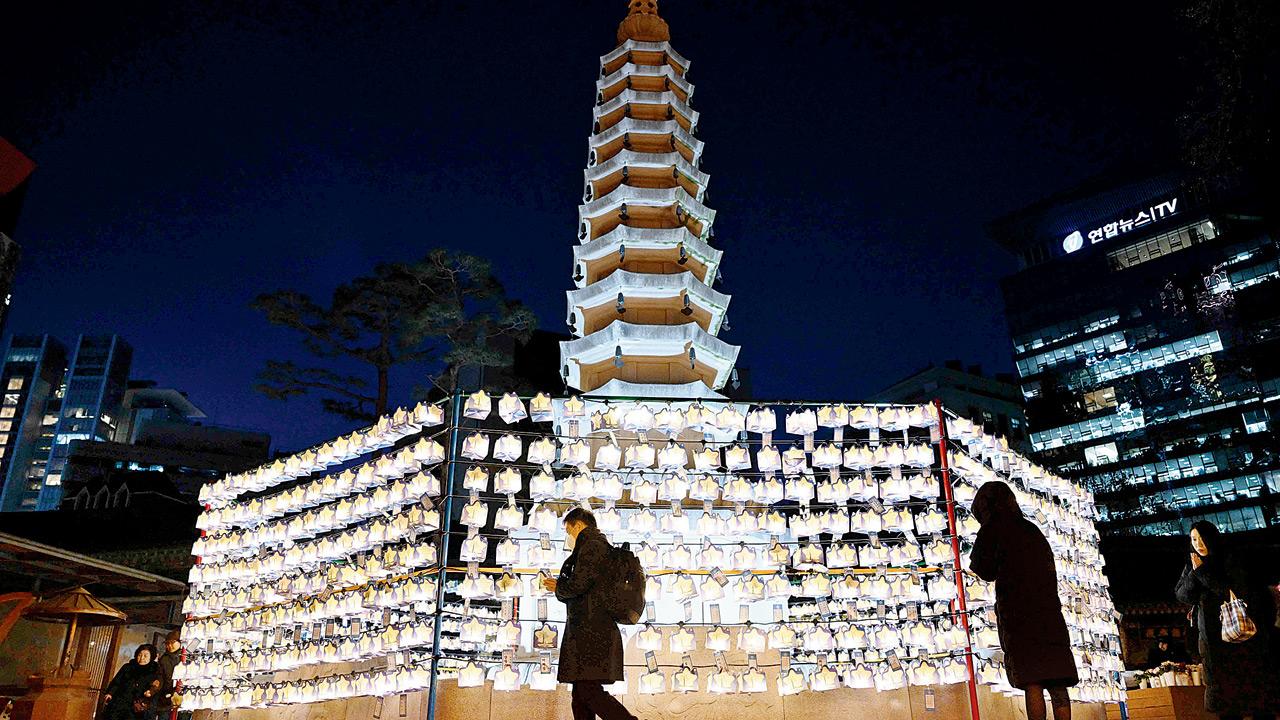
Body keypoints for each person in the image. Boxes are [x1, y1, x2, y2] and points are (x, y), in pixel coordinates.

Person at [968, 481, 1077, 720]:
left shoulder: (994, 528)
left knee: (1033, 680)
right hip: (1048, 612)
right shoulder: (1032, 530)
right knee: (1058, 682)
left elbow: (983, 569)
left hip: (1019, 615)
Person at [1174, 520, 1279, 720]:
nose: (1198, 543)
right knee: (1226, 703)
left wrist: (1202, 573)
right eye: (1193, 539)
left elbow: (1236, 591)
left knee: (1254, 695)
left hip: (1241, 638)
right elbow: (1182, 595)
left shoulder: (1230, 558)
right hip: (1212, 643)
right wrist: (1195, 573)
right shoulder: (1193, 563)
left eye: (1201, 538)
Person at [541, 507, 636, 720]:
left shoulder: (592, 547)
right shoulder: (596, 546)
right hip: (592, 628)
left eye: (569, 531)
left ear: (578, 524)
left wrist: (558, 586)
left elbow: (579, 584)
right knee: (580, 693)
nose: (569, 537)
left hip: (591, 631)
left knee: (587, 690)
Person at [102, 644, 163, 720]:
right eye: (139, 655)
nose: (141, 658)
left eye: (145, 656)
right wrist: (110, 693)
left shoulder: (155, 671)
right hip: (119, 703)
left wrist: (150, 692)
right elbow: (116, 682)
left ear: (151, 657)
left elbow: (156, 687)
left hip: (137, 708)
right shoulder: (128, 667)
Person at [151, 630, 183, 719]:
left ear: (180, 642)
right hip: (166, 697)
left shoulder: (186, 657)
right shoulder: (164, 659)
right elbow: (160, 676)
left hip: (183, 696)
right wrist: (155, 686)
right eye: (167, 643)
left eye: (172, 643)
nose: (169, 646)